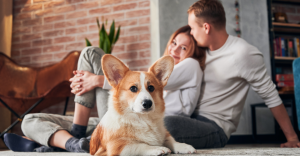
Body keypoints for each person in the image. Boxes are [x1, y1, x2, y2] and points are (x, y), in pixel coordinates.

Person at [3, 25, 206, 152]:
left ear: (192, 52)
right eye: (174, 43)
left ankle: (54, 142)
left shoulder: (188, 67)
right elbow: (134, 84)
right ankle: (75, 141)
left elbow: (152, 81)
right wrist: (90, 81)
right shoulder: (148, 77)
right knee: (29, 120)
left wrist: (95, 80)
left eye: (184, 47)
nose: (175, 50)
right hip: (120, 119)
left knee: (91, 53)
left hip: (140, 126)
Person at [163, 0, 300, 149]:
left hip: (214, 128)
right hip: (189, 119)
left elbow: (271, 96)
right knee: (156, 120)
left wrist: (292, 138)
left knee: (168, 124)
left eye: (192, 28)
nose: (191, 33)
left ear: (206, 27)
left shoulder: (243, 53)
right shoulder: (202, 51)